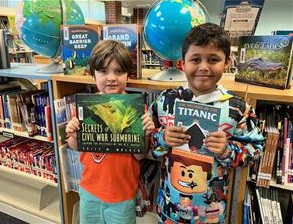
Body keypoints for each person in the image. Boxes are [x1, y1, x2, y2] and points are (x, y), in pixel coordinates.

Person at [150, 23, 264, 224]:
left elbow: (256, 148)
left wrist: (227, 150)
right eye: (195, 59)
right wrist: (162, 138)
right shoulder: (166, 100)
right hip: (170, 207)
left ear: (227, 63)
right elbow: (147, 142)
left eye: (213, 59)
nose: (204, 67)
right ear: (182, 64)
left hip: (210, 211)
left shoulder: (237, 108)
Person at [65, 40, 155, 224]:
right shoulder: (85, 107)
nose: (112, 78)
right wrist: (73, 134)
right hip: (90, 190)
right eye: (104, 71)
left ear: (128, 75)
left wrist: (144, 134)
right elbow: (75, 147)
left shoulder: (136, 109)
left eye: (119, 71)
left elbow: (139, 156)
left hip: (122, 193)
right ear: (93, 75)